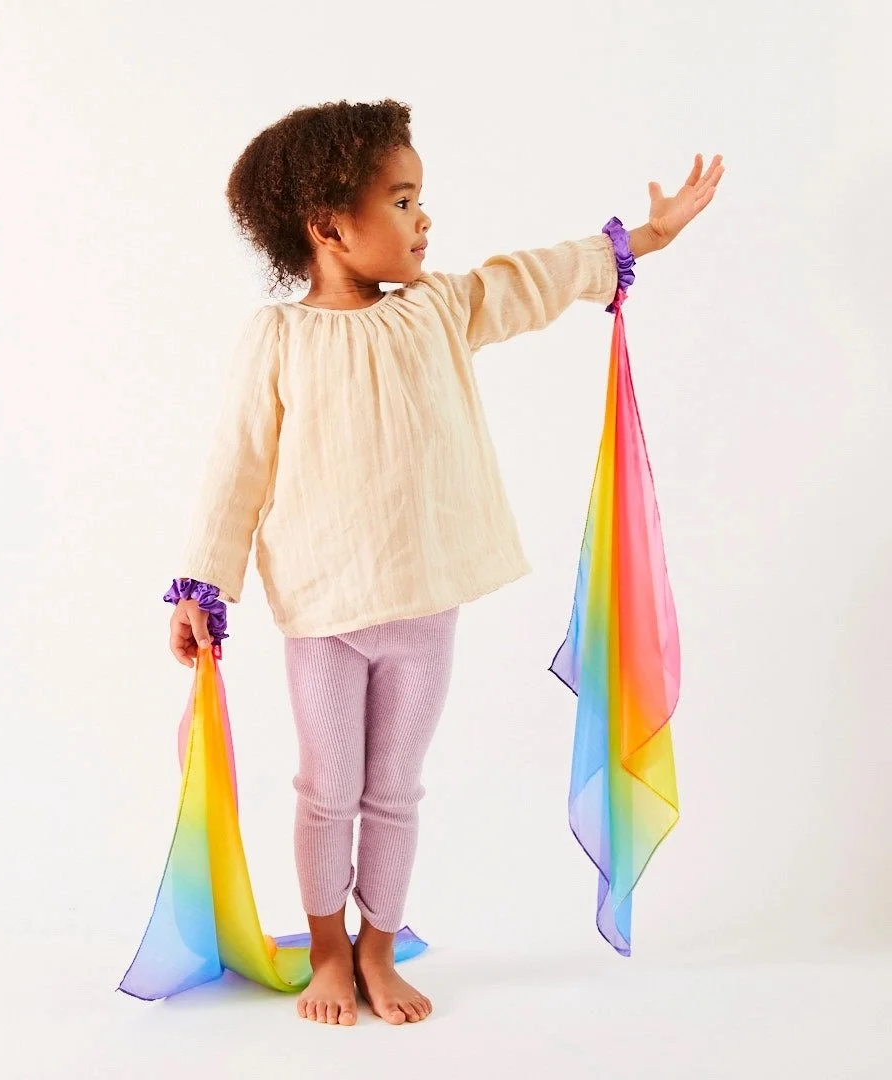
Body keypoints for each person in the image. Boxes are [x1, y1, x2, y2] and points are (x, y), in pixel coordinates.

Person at [164, 98, 723, 1027]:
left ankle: (378, 948)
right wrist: (202, 586)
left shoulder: (437, 308)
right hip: (325, 613)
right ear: (328, 226)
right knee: (326, 790)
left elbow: (532, 278)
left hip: (424, 608)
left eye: (419, 199)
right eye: (402, 201)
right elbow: (236, 470)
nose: (424, 219)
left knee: (394, 791)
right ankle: (329, 951)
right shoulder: (278, 338)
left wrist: (644, 239)